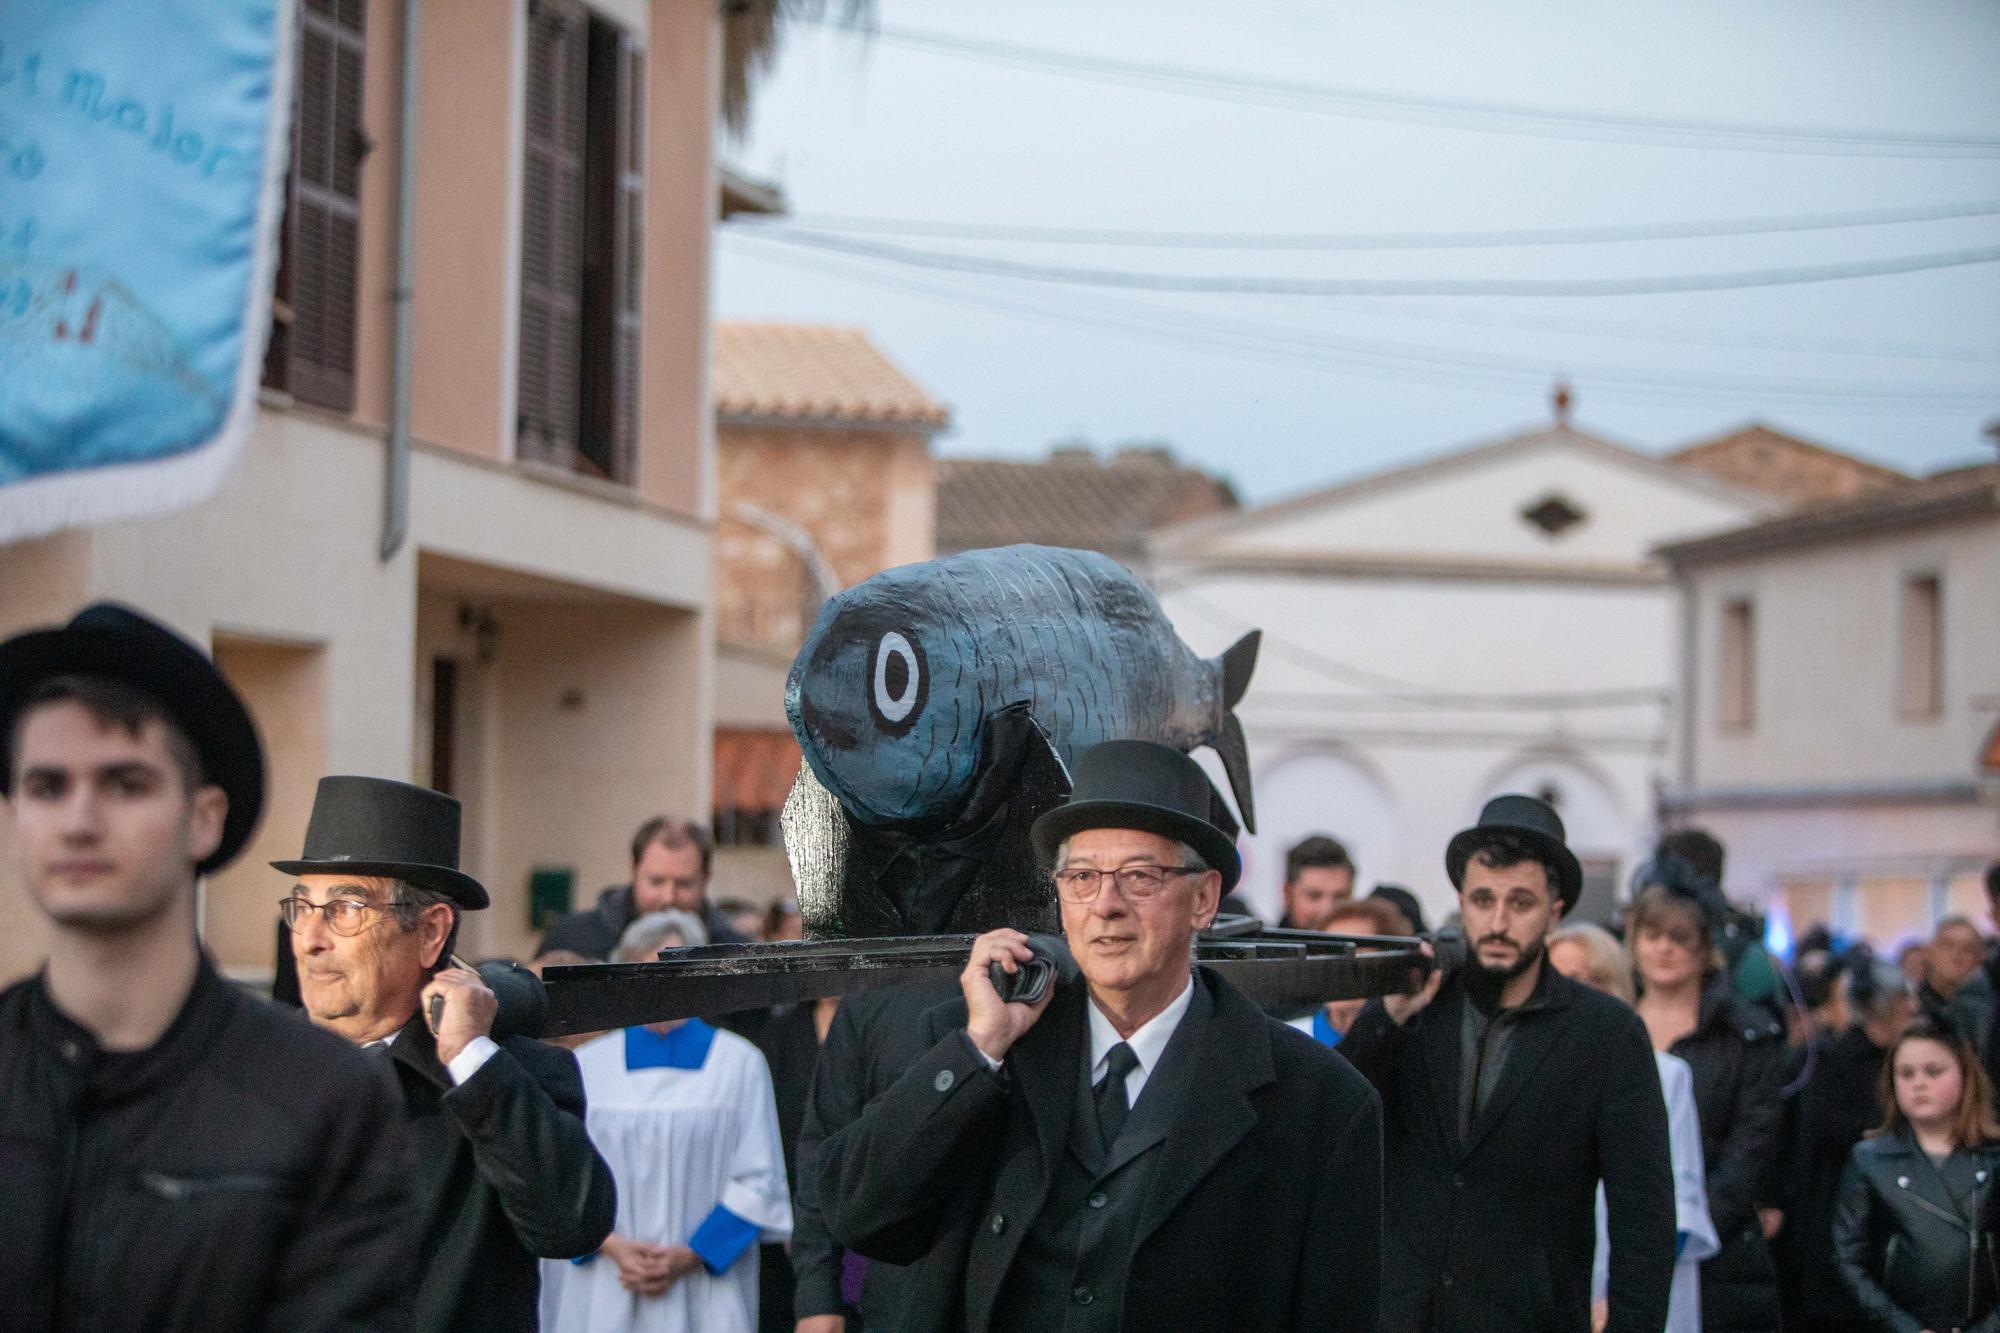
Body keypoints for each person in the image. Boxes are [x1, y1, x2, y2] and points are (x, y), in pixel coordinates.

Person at [817, 740, 1384, 1332]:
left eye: (1140, 876)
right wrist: (977, 1051)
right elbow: (861, 1215)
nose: (1106, 906)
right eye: (1083, 876)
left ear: (1205, 898)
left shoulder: (1319, 1102)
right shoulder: (986, 1052)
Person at [0, 604, 413, 1333]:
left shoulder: (324, 1101)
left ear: (204, 816)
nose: (79, 820)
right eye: (46, 786)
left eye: (126, 783)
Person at [280, 775, 617, 1332]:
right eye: (302, 906)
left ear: (431, 933)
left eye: (344, 908)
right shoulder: (254, 1069)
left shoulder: (506, 1073)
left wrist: (472, 1062)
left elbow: (572, 1224)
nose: (309, 937)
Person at [1340, 793, 1675, 1333]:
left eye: (1520, 903)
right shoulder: (1417, 1009)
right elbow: (1338, 1118)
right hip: (1402, 1315)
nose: (1498, 921)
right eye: (1482, 900)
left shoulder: (1607, 1034)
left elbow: (1645, 1221)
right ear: (1461, 903)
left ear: (1555, 911)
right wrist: (1386, 1018)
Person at [541, 911, 792, 1333]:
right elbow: (561, 1177)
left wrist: (691, 1255)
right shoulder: (586, 1066)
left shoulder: (738, 1064)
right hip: (605, 1282)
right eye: (643, 974)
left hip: (702, 1290)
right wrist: (609, 1245)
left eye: (672, 973)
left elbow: (758, 1181)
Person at [1630, 883, 1787, 1333]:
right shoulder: (1611, 1023)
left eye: (1680, 938)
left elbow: (1753, 1141)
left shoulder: (1746, 1033)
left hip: (1718, 1243)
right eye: (1653, 934)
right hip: (1618, 1234)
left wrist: (1691, 1226)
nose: (1664, 948)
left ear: (1704, 950)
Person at [1548, 923, 1718, 1333]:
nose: (1581, 994)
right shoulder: (1534, 1077)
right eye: (1565, 981)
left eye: (1595, 980)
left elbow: (1678, 1198)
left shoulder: (1665, 1075)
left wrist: (1622, 1298)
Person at [1833, 1013, 2000, 1333]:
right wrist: (1904, 1328)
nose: (1918, 1083)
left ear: (1966, 1075)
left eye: (1933, 1071)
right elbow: (1848, 1260)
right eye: (1905, 1073)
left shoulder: (1994, 1159)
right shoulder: (1869, 1160)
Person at [1776, 954, 1916, 1333]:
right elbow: (1823, 1136)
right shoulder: (1831, 1061)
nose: (1912, 1008)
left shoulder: (1901, 1060)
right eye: (1904, 999)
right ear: (1885, 1006)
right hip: (1834, 1212)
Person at [537, 816, 750, 960]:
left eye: (683, 884)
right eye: (656, 881)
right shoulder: (573, 938)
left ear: (705, 880)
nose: (668, 897)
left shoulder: (733, 953)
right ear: (634, 870)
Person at [1290, 895, 1408, 1048]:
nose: (1339, 967)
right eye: (1329, 954)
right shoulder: (1286, 1040)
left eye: (1356, 956)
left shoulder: (1409, 1046)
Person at [1920, 914, 1994, 1053]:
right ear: (1929, 952)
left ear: (1980, 959)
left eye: (1968, 949)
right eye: (1947, 946)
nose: (1957, 955)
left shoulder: (1986, 1017)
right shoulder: (1908, 1006)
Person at [1277, 833, 1356, 929]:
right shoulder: (1262, 943)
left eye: (1340, 897)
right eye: (1314, 896)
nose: (1326, 910)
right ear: (1287, 894)